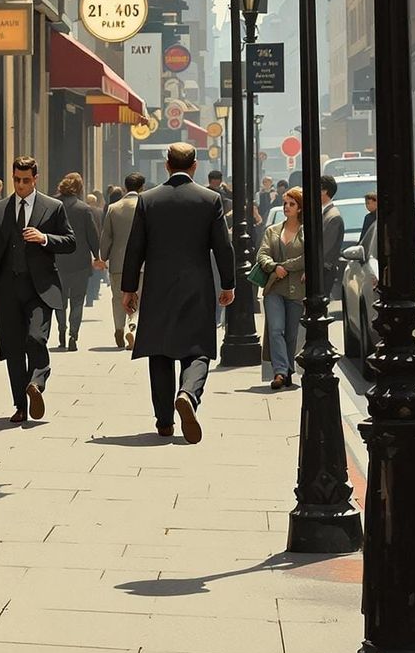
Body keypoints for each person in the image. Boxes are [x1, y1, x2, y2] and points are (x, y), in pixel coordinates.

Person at [121, 143, 236, 443]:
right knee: (197, 349)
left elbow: (135, 249)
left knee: (159, 351)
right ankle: (188, 394)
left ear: (167, 165)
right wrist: (228, 284)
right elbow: (223, 246)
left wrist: (129, 289)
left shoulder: (148, 200)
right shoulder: (210, 199)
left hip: (158, 286)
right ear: (195, 166)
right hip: (197, 285)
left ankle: (164, 422)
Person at [0, 155, 76, 423]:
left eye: (26, 181)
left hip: (40, 288)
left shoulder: (52, 207)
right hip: (7, 289)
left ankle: (37, 382)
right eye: (17, 180)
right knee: (14, 350)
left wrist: (45, 239)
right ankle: (20, 405)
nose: (21, 185)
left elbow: (70, 241)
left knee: (36, 338)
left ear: (36, 179)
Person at [256, 186, 306, 390]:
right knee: (276, 329)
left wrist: (285, 266)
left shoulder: (306, 232)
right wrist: (273, 267)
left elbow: (307, 257)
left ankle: (288, 370)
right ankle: (280, 372)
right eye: (285, 203)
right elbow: (262, 255)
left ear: (300, 208)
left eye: (291, 204)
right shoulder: (273, 230)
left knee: (291, 333)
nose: (286, 207)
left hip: (296, 289)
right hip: (274, 288)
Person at [98, 171, 147, 348]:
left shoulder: (114, 208)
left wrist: (102, 256)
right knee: (139, 297)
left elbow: (107, 237)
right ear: (142, 187)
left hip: (118, 262)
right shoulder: (146, 206)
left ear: (126, 187)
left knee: (118, 298)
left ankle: (119, 327)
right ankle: (132, 326)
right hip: (142, 263)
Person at [54, 172, 100, 352]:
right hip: (80, 262)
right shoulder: (83, 209)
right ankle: (74, 334)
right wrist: (98, 256)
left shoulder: (53, 206)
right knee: (78, 300)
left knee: (60, 301)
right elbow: (92, 236)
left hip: (58, 262)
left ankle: (61, 332)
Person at [319, 174, 346, 306]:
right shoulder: (325, 213)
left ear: (324, 191)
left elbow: (326, 248)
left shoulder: (333, 217)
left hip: (324, 270)